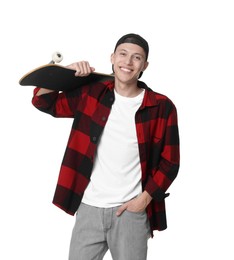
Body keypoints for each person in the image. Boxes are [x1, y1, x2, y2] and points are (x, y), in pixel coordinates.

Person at [32, 33, 180, 260]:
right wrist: (65, 74)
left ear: (145, 65)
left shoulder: (161, 106)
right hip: (89, 209)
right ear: (112, 58)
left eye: (136, 57)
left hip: (131, 212)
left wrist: (144, 199)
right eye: (123, 54)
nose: (128, 62)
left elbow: (170, 162)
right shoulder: (92, 94)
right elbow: (43, 101)